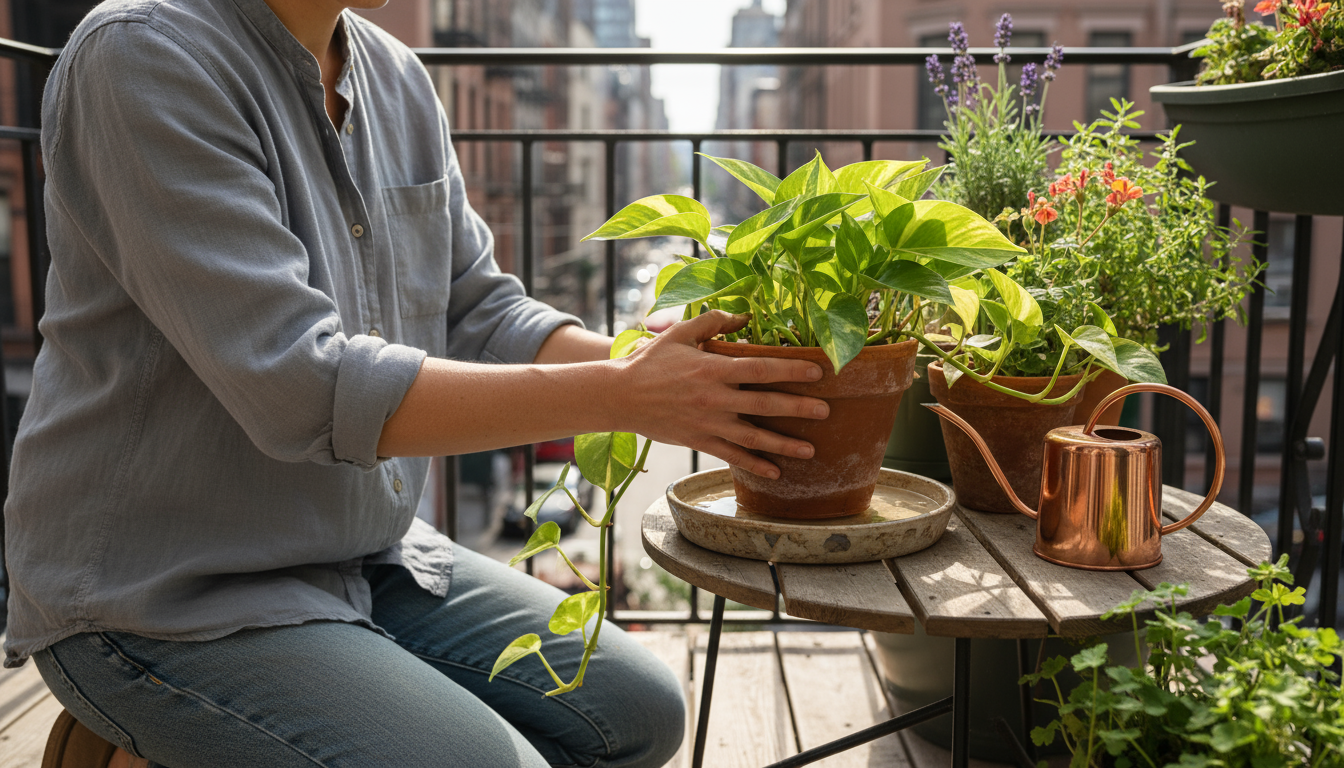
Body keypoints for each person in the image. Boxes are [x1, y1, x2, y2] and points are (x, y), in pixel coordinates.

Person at [2, 0, 831, 765]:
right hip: (163, 592)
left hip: (364, 552)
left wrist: (637, 362)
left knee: (637, 715)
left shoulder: (395, 76)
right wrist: (628, 393)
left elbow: (477, 304)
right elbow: (303, 385)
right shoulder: (143, 55)